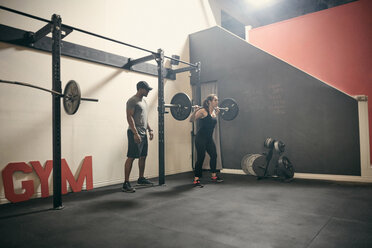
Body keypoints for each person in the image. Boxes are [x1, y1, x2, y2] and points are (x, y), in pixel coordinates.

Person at [123, 81, 154, 193]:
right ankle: (126, 183)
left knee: (143, 156)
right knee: (131, 156)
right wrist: (135, 133)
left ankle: (141, 178)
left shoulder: (144, 101)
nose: (148, 92)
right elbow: (129, 117)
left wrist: (149, 129)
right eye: (147, 90)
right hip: (134, 133)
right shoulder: (132, 101)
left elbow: (144, 118)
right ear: (141, 89)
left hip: (143, 133)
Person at [189, 94, 224, 187]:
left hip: (208, 138)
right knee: (201, 157)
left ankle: (213, 176)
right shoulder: (203, 111)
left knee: (214, 155)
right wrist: (195, 111)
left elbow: (210, 123)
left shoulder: (213, 112)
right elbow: (191, 120)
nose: (217, 102)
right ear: (209, 102)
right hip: (200, 138)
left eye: (217, 100)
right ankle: (196, 179)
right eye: (215, 100)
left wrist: (216, 114)